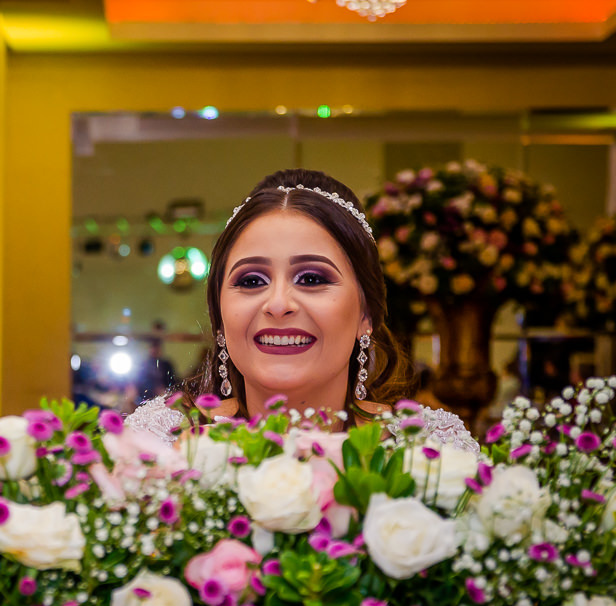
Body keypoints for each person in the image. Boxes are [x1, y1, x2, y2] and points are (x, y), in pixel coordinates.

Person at [128, 168, 473, 449]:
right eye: (251, 281)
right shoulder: (155, 444)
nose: (278, 304)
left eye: (311, 278)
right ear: (219, 317)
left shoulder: (433, 452)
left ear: (365, 314)